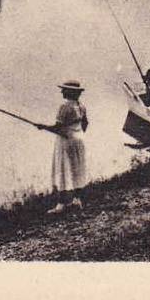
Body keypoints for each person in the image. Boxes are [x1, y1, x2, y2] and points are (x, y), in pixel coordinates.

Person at [39, 80, 89, 214]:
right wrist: (77, 132)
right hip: (79, 140)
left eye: (64, 90)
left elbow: (58, 127)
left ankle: (61, 204)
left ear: (70, 92)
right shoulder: (81, 106)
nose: (62, 91)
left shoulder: (64, 107)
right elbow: (85, 123)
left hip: (66, 142)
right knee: (77, 169)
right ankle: (77, 200)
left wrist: (43, 127)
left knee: (63, 169)